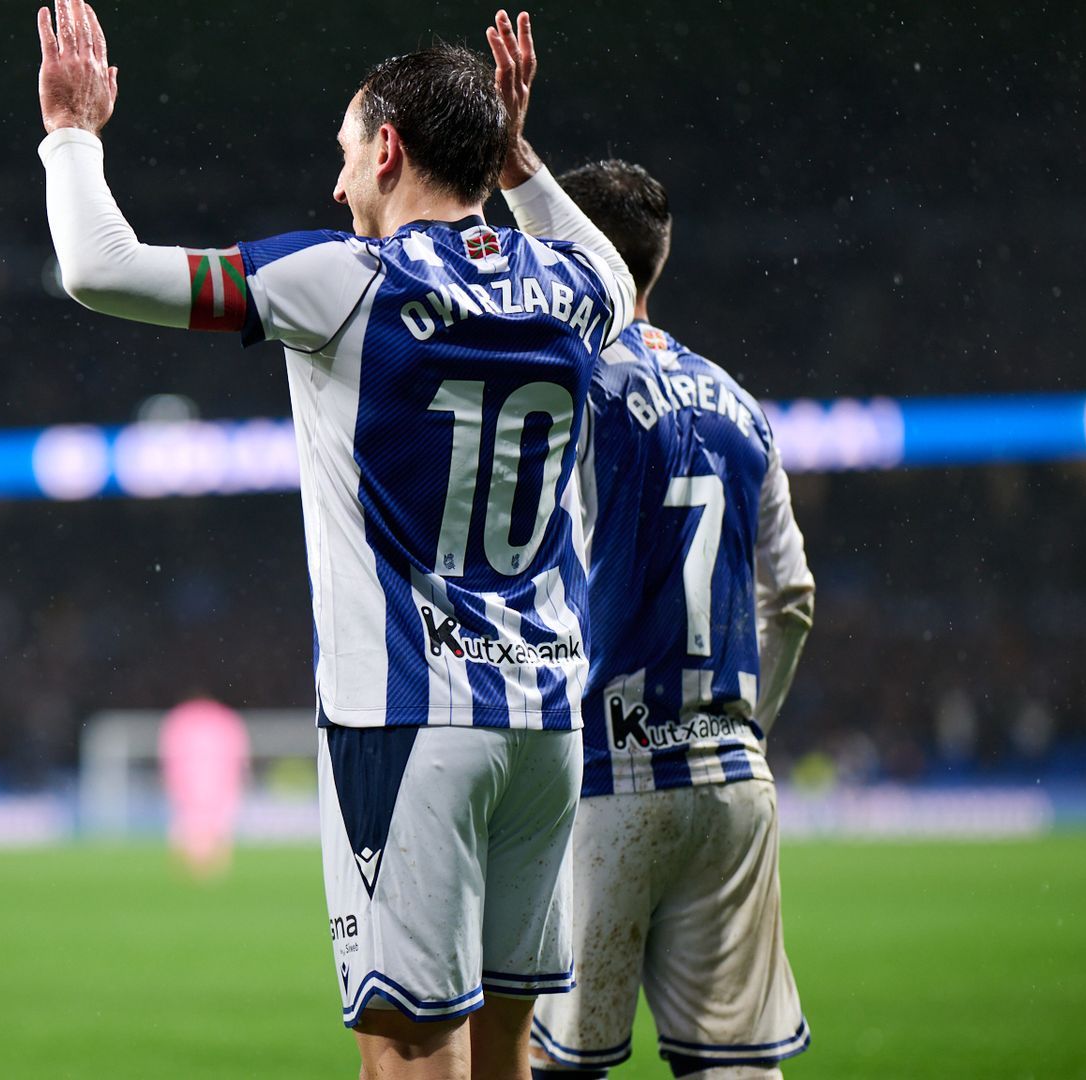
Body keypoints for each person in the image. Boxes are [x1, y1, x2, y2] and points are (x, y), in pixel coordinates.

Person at [33, 5, 634, 1077]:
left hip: (407, 721)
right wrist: (517, 154)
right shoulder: (577, 287)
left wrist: (72, 132)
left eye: (348, 155)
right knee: (505, 1045)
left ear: (389, 150)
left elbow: (97, 267)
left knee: (407, 1049)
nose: (338, 186)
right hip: (546, 717)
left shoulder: (346, 281)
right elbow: (617, 276)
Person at [482, 17, 818, 1079]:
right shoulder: (741, 403)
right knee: (736, 1066)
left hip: (607, 769)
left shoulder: (571, 382)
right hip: (734, 777)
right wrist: (740, 723)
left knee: (562, 1061)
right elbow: (795, 597)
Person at [158, 695, 251, 880]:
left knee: (196, 822)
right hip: (209, 788)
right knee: (208, 822)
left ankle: (194, 864)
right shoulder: (225, 723)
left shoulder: (181, 724)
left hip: (198, 789)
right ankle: (209, 864)